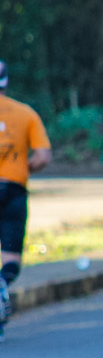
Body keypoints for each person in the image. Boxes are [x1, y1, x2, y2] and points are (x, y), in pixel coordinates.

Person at [0, 60, 52, 340]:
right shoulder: (26, 113)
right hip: (13, 189)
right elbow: (43, 155)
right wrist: (23, 168)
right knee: (10, 259)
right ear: (6, 82)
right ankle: (2, 284)